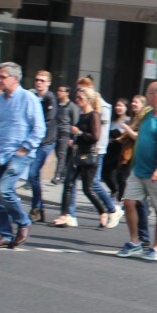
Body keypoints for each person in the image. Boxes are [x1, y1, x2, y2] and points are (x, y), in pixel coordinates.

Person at [116, 81, 157, 261]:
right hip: (138, 170)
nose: (145, 98)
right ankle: (135, 241)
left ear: (155, 96)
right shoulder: (146, 113)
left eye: (148, 94)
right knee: (128, 202)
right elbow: (136, 131)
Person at [0, 62, 44, 249]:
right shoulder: (0, 99)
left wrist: (25, 148)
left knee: (5, 190)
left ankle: (24, 222)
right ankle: (5, 235)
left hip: (18, 153)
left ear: (14, 78)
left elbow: (39, 128)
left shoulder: (28, 98)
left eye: (1, 77)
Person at [52, 88, 114, 229]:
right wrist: (74, 141)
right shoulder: (81, 115)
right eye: (77, 97)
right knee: (68, 183)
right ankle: (64, 215)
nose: (77, 99)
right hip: (77, 155)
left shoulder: (94, 115)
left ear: (88, 99)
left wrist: (78, 132)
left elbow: (95, 137)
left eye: (80, 97)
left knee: (88, 189)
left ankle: (103, 211)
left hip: (89, 157)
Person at [27, 70, 58, 222]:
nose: (39, 82)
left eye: (42, 80)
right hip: (34, 141)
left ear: (48, 83)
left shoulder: (50, 99)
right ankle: (39, 207)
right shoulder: (32, 96)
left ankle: (36, 208)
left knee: (32, 174)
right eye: (37, 79)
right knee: (34, 175)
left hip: (45, 142)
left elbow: (47, 120)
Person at [50, 83, 76, 185]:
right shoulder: (56, 104)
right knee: (58, 154)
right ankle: (64, 174)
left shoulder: (71, 106)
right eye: (58, 90)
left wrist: (72, 137)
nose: (59, 93)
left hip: (65, 133)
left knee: (62, 155)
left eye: (61, 91)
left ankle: (57, 175)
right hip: (55, 132)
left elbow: (74, 122)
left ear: (67, 93)